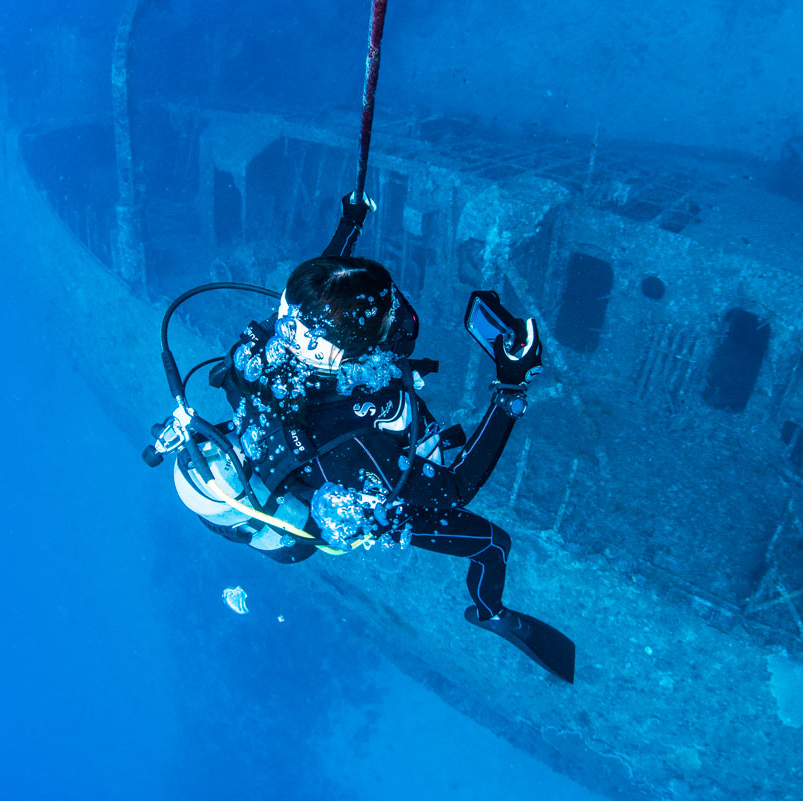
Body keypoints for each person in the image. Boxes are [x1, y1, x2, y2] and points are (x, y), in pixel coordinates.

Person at [198, 194, 575, 683]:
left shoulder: (278, 344)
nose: (395, 314)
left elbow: (314, 296)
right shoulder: (354, 445)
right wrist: (510, 388)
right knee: (493, 544)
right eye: (386, 317)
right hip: (342, 490)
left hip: (278, 451)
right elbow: (455, 489)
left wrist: (349, 225)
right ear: (342, 354)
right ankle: (490, 612)